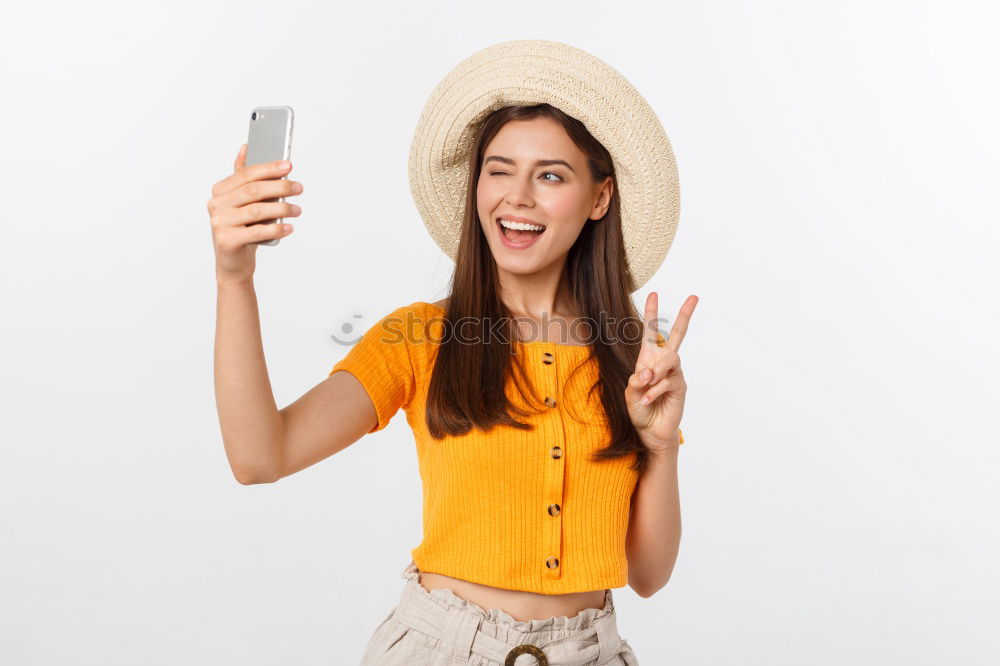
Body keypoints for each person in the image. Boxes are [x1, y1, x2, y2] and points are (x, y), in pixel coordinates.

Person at [210, 39, 697, 666]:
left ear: (600, 198)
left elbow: (648, 575)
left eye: (550, 175)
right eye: (499, 169)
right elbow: (259, 456)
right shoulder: (417, 339)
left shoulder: (634, 361)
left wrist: (658, 446)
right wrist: (234, 279)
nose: (517, 196)